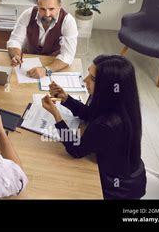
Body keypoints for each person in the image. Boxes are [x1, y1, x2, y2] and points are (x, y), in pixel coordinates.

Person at [41, 54, 147, 199]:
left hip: (118, 189)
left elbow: (76, 150)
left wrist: (57, 117)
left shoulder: (108, 124)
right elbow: (90, 113)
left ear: (108, 86)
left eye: (93, 78)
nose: (85, 81)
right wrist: (66, 98)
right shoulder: (120, 102)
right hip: (130, 172)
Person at [7, 0, 78, 78]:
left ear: (59, 6)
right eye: (43, 9)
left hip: (53, 62)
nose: (47, 14)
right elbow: (15, 40)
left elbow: (68, 55)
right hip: (28, 61)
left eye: (51, 9)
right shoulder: (27, 15)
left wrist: (46, 70)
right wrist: (16, 55)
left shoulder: (68, 21)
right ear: (37, 6)